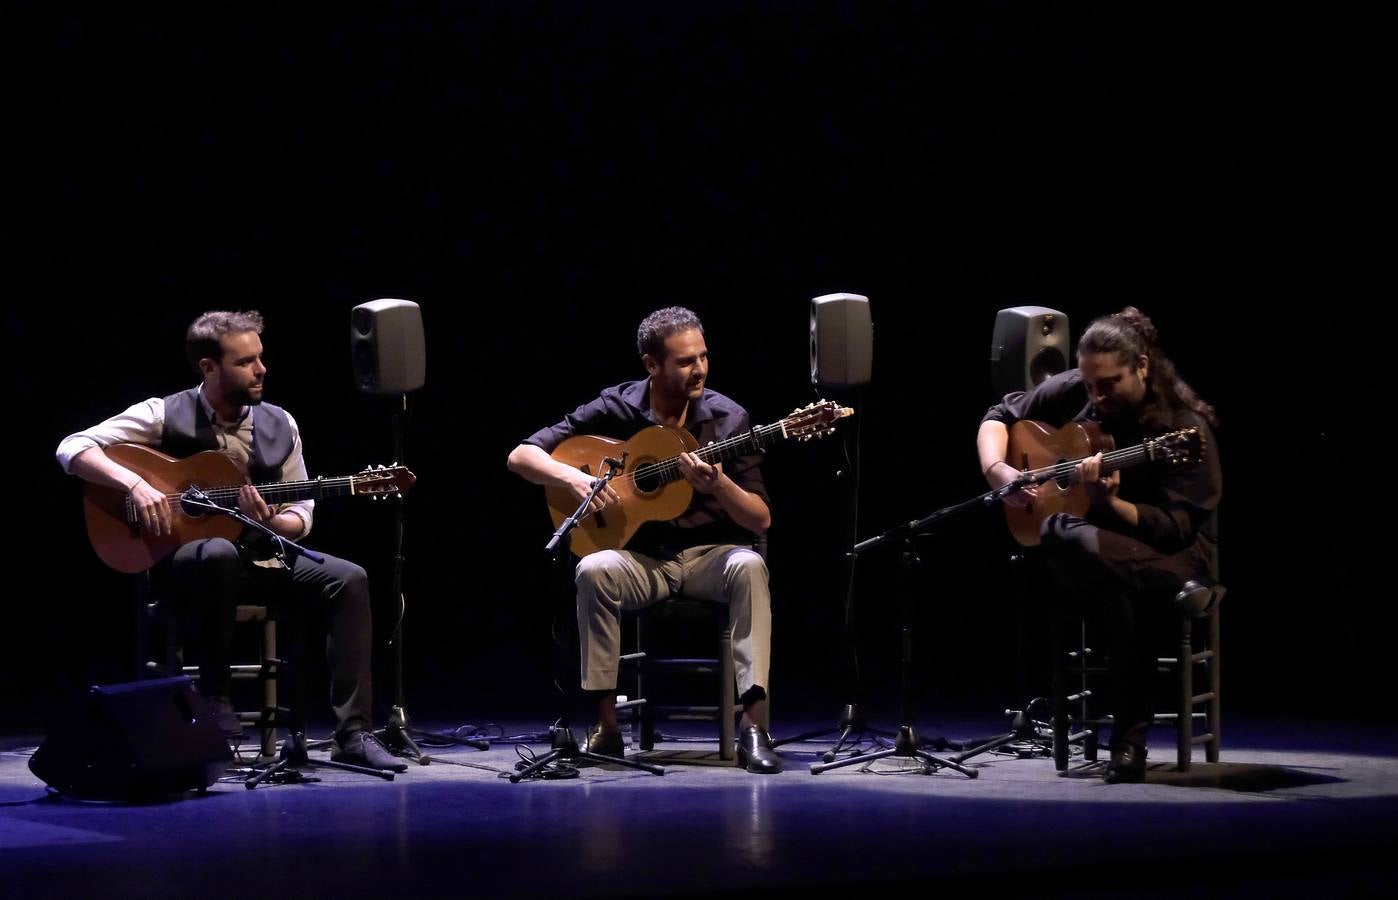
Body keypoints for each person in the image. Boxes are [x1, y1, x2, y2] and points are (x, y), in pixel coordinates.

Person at [56, 310, 406, 772]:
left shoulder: (282, 425)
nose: (261, 369)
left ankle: (353, 732)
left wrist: (275, 525)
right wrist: (136, 486)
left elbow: (303, 511)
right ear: (208, 367)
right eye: (246, 362)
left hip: (259, 558)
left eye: (261, 358)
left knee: (349, 578)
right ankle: (214, 697)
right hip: (184, 567)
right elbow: (71, 447)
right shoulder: (162, 413)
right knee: (216, 551)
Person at [508, 306, 782, 774]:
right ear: (651, 364)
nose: (699, 370)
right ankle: (607, 728)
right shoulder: (616, 408)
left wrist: (718, 485)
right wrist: (572, 481)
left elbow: (760, 521)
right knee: (592, 569)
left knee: (751, 565)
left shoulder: (729, 420)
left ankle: (754, 727)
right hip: (640, 560)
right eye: (684, 361)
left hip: (708, 557)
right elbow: (521, 455)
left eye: (703, 357)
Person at [976, 307, 1222, 782]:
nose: (1096, 396)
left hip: (1174, 561)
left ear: (1143, 367)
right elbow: (999, 415)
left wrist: (1107, 504)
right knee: (1075, 547)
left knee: (1081, 553)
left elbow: (1177, 528)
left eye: (1108, 384)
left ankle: (1129, 741)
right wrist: (999, 471)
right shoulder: (1081, 387)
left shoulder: (1183, 429)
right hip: (1103, 559)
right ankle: (1128, 745)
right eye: (1089, 385)